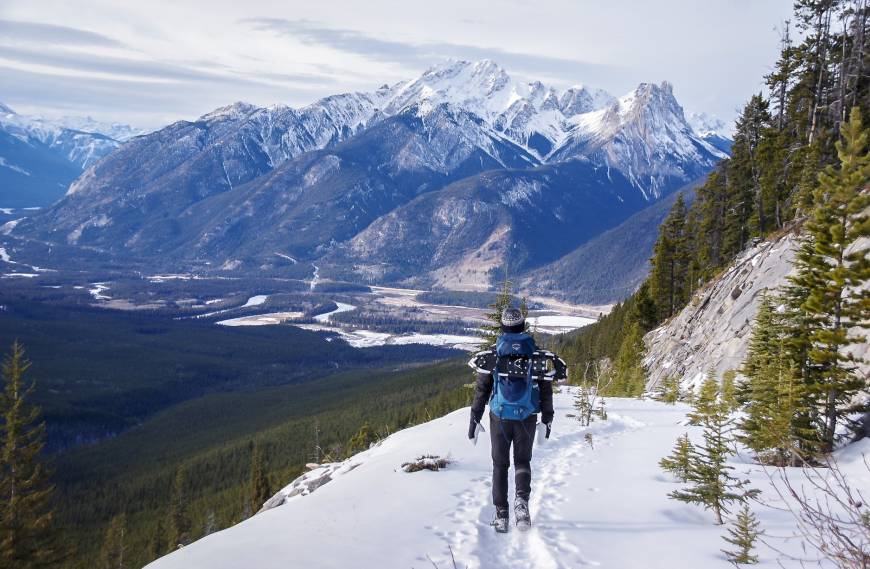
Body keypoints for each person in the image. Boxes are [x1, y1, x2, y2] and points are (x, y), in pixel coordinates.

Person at [467, 307, 567, 532]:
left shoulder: (494, 354)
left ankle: (501, 515)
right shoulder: (536, 354)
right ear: (523, 326)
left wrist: (474, 418)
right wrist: (547, 419)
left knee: (499, 464)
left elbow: (482, 389)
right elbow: (546, 389)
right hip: (527, 417)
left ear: (503, 327)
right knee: (522, 462)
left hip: (499, 416)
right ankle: (521, 506)